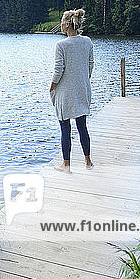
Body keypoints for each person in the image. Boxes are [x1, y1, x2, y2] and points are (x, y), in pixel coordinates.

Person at [49, 9, 94, 173]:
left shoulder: (61, 45)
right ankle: (88, 161)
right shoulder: (87, 41)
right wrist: (81, 80)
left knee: (65, 128)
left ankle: (66, 165)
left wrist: (52, 87)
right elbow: (90, 66)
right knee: (82, 126)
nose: (60, 24)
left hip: (65, 92)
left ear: (67, 24)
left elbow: (58, 70)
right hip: (82, 89)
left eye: (62, 22)